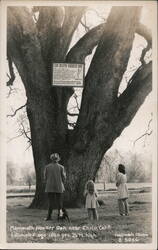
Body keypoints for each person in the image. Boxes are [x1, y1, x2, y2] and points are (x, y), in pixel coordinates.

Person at [44, 153, 66, 221]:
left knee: (51, 202)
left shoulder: (47, 167)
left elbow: (45, 177)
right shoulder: (61, 167)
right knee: (59, 202)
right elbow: (64, 177)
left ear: (51, 159)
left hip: (49, 186)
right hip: (59, 186)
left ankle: (49, 217)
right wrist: (62, 183)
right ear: (58, 159)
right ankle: (60, 216)